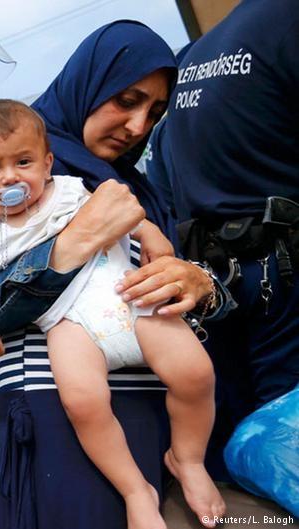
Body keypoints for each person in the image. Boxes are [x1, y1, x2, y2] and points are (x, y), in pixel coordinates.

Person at [0, 21, 231, 528]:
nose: (139, 125)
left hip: (159, 399)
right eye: (126, 99)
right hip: (59, 409)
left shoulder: (141, 187)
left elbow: (179, 270)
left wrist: (198, 283)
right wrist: (69, 248)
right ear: (89, 82)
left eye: (155, 112)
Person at [159, 0, 299, 510]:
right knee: (284, 436)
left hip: (217, 275)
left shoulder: (196, 54)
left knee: (245, 434)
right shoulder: (287, 17)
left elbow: (165, 178)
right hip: (280, 272)